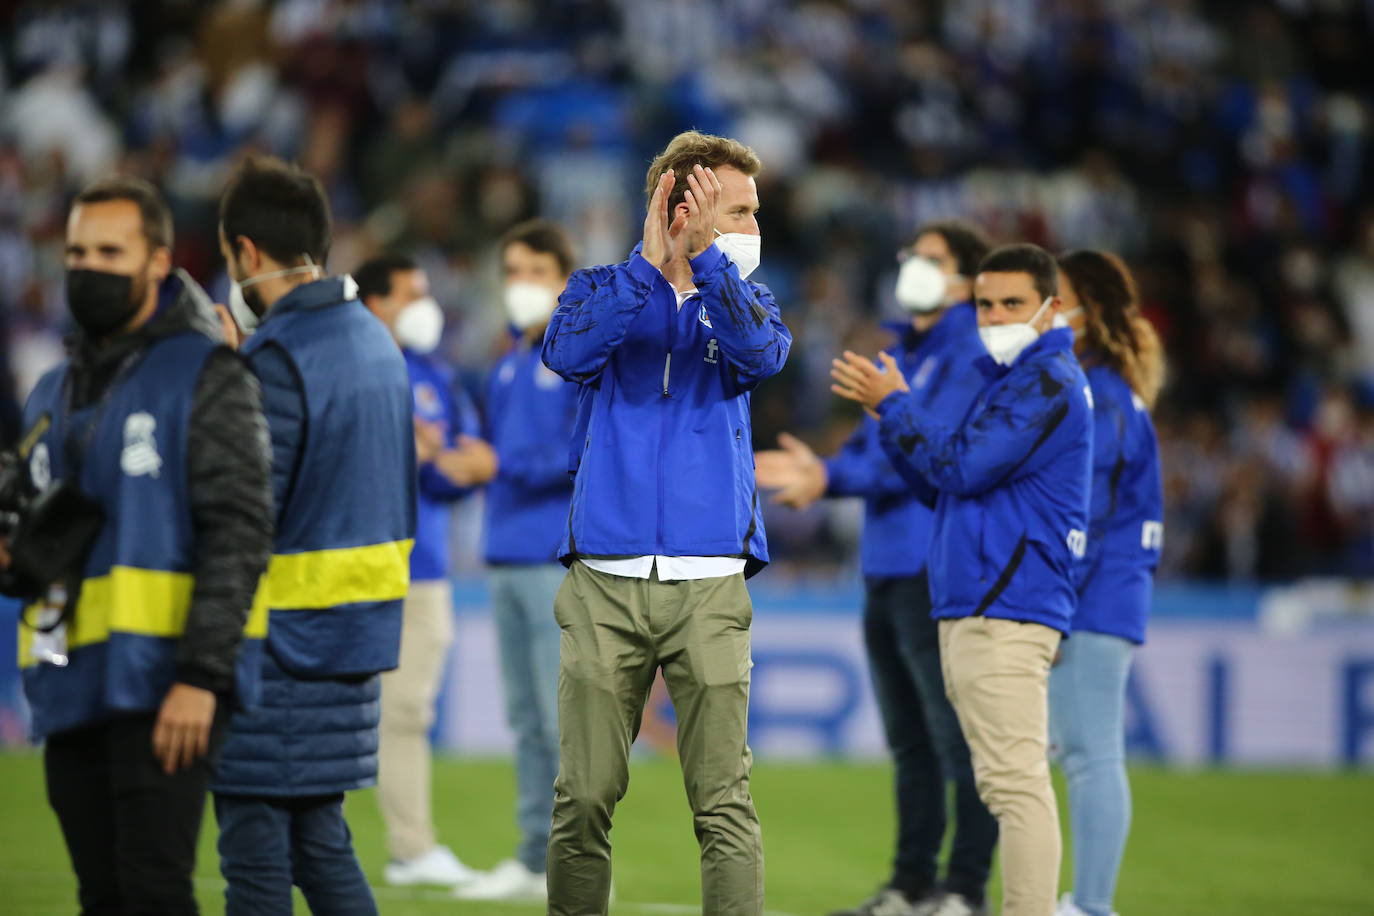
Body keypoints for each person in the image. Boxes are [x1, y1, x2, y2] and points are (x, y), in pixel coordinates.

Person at [6, 176, 272, 914]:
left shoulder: (208, 373)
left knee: (153, 892)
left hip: (166, 684)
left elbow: (240, 532)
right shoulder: (49, 392)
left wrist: (201, 677)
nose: (88, 266)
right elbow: (33, 534)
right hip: (70, 683)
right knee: (102, 896)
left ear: (158, 260)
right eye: (76, 251)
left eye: (110, 251)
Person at [541, 130, 791, 916]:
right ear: (679, 206)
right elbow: (567, 352)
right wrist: (650, 265)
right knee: (581, 799)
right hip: (604, 581)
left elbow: (762, 355)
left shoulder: (748, 298)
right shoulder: (600, 286)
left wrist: (709, 260)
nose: (749, 227)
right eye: (732, 210)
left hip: (711, 580)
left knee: (723, 805)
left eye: (750, 211)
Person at [831, 243, 1093, 916]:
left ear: (1051, 308)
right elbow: (941, 485)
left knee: (1013, 785)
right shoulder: (1007, 380)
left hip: (1006, 602)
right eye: (986, 303)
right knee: (1001, 779)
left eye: (1013, 303)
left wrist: (896, 407)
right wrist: (890, 416)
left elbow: (964, 468)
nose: (996, 315)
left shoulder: (1045, 382)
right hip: (976, 600)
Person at [756, 221, 997, 916]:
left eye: (929, 259)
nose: (912, 267)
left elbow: (922, 452)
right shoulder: (907, 355)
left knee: (955, 740)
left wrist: (832, 475)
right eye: (909, 255)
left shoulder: (967, 353)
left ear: (966, 280)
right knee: (910, 743)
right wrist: (827, 473)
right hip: (887, 564)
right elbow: (874, 450)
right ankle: (911, 885)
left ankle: (965, 889)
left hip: (936, 565)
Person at [209, 157, 415, 916]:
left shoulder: (278, 360)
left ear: (247, 253)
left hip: (277, 653)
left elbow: (243, 516)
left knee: (257, 864)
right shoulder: (374, 344)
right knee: (318, 847)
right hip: (352, 642)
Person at [452, 219, 580, 902]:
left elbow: (579, 453)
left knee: (557, 722)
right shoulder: (506, 363)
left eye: (535, 271)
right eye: (512, 272)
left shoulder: (577, 361)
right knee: (529, 719)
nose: (520, 285)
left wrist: (497, 462)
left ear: (565, 280)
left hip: (551, 559)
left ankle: (559, 859)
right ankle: (536, 857)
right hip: (503, 555)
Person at [356, 253, 488, 887]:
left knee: (408, 709)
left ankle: (411, 847)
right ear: (375, 301)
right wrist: (398, 442)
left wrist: (449, 461)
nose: (424, 305)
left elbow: (463, 465)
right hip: (345, 559)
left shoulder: (436, 376)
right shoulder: (348, 367)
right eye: (411, 292)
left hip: (422, 563)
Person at [1050, 251, 1164, 916]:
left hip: (1091, 599)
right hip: (1105, 593)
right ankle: (1085, 901)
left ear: (1086, 310)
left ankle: (1091, 906)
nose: (1043, 310)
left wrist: (1055, 607)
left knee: (1092, 756)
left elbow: (1083, 515)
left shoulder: (1099, 397)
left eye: (1054, 296)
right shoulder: (1115, 390)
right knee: (1086, 753)